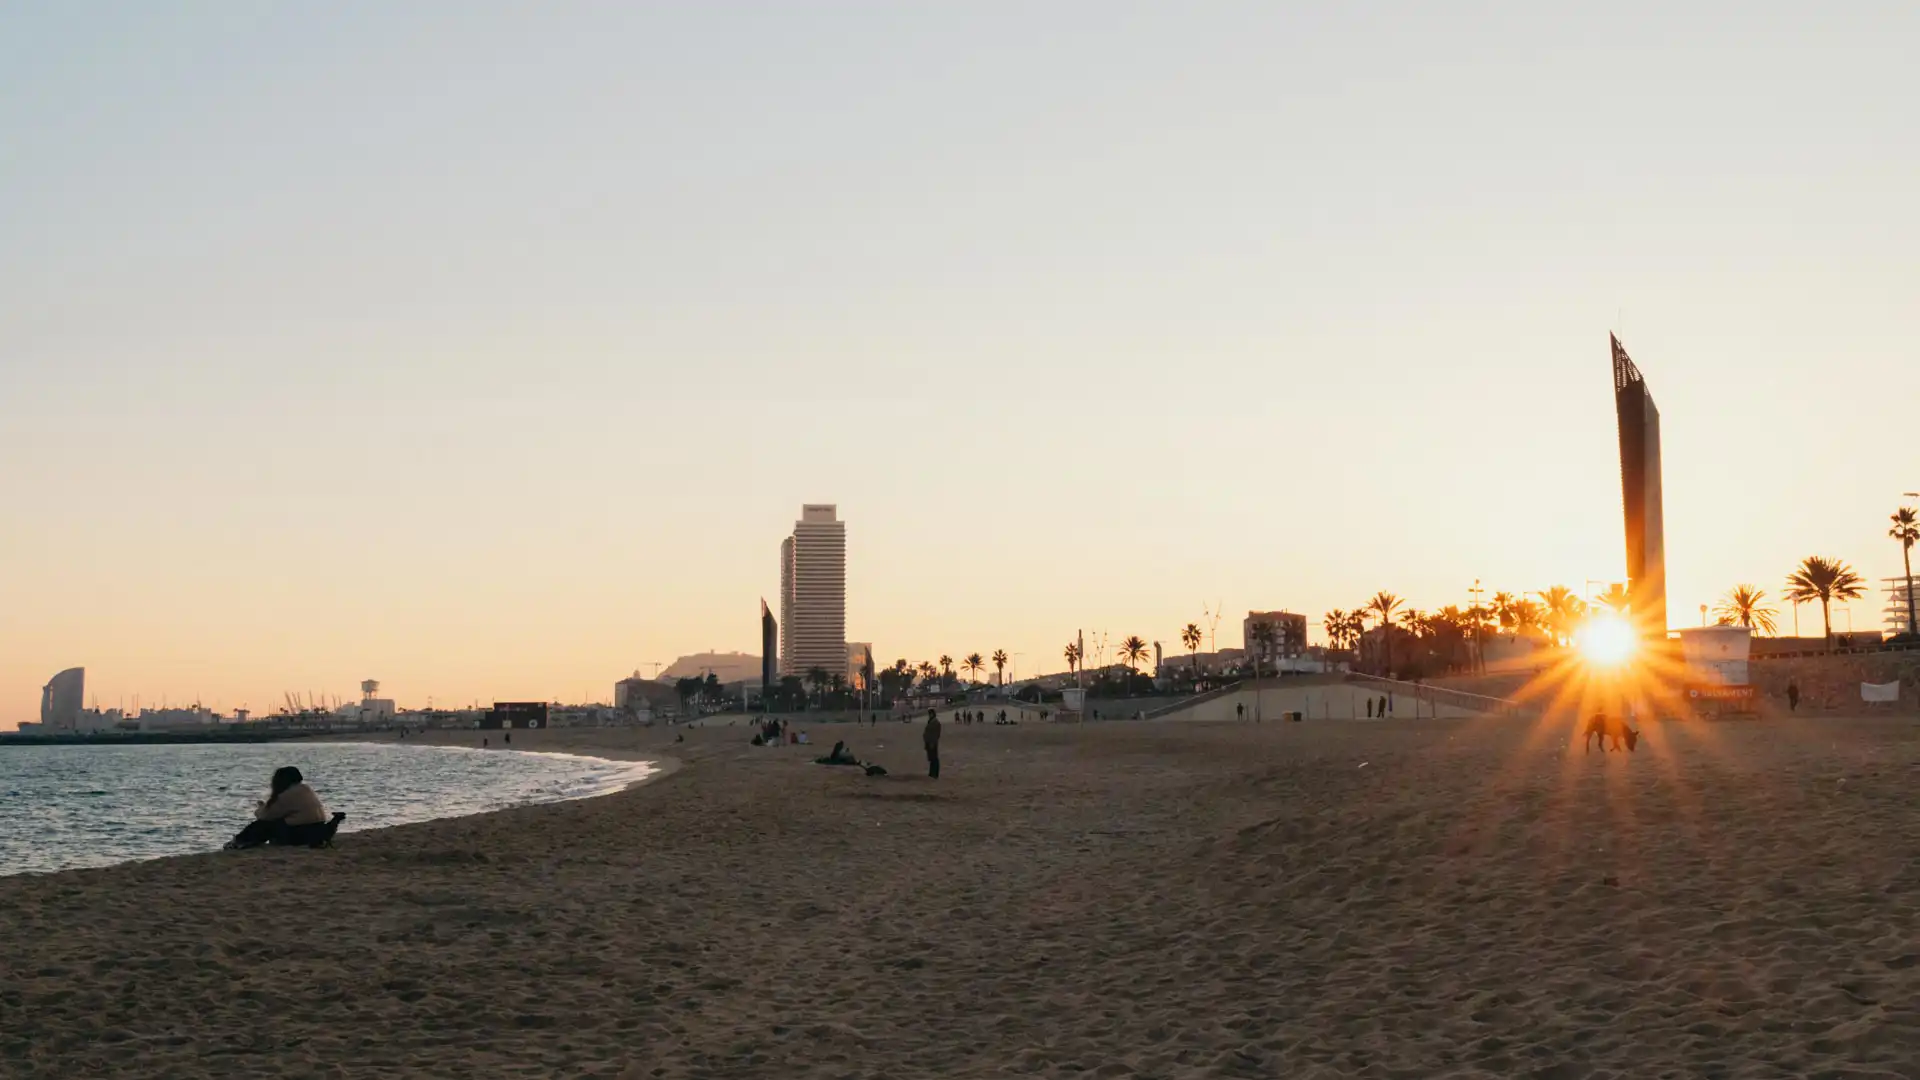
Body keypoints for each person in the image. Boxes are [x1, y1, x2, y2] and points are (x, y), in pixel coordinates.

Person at [225, 767, 331, 850]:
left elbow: (265, 816)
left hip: (302, 834)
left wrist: (261, 808)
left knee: (261, 825)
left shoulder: (288, 795)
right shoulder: (306, 789)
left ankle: (239, 842)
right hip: (318, 831)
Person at [923, 708, 942, 779]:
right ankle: (932, 773)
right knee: (931, 758)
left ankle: (935, 773)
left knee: (934, 758)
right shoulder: (931, 721)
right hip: (929, 742)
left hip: (932, 742)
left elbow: (936, 734)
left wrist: (932, 742)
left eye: (930, 714)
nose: (929, 715)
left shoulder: (935, 722)